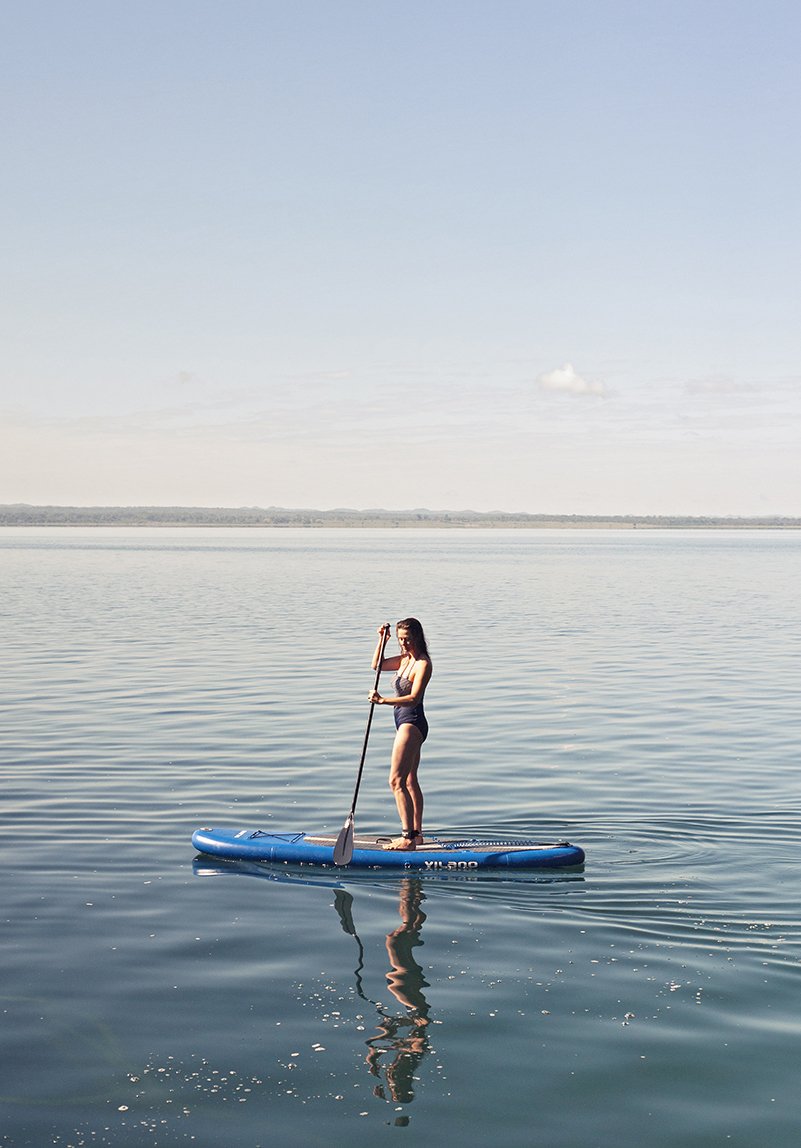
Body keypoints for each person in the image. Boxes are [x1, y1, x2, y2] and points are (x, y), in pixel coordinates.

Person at [369, 619, 432, 851]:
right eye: (400, 639)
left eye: (407, 638)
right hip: (404, 723)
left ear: (417, 636)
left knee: (395, 780)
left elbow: (414, 698)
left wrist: (382, 700)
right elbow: (377, 665)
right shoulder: (405, 660)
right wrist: (382, 641)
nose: (403, 643)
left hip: (411, 723)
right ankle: (417, 835)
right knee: (409, 780)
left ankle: (407, 838)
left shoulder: (423, 664)